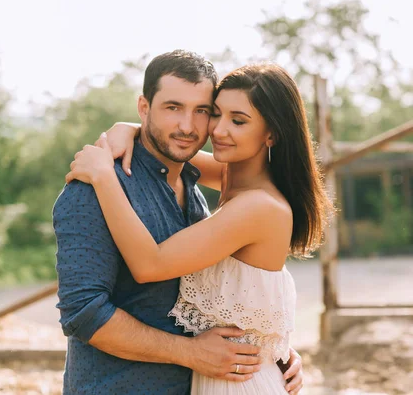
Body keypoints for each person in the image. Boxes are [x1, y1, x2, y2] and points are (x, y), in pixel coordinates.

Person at [65, 60, 333, 394]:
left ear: (271, 134)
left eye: (238, 120)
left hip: (238, 383)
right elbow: (168, 145)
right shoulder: (229, 177)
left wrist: (104, 177)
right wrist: (126, 127)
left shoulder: (258, 207)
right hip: (223, 373)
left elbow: (150, 264)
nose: (217, 130)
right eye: (216, 114)